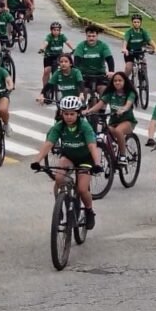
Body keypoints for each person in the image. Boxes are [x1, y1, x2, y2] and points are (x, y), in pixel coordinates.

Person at [29, 96, 102, 230]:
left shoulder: (84, 126)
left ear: (78, 113)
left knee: (82, 188)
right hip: (68, 156)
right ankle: (60, 206)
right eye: (66, 114)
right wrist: (36, 161)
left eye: (72, 114)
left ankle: (89, 210)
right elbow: (48, 144)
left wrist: (97, 164)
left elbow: (92, 146)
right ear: (61, 113)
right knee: (59, 178)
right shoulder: (59, 126)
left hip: (85, 159)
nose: (68, 117)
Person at [86, 71, 138, 165]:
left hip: (127, 121)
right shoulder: (110, 93)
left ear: (125, 82)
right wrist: (88, 111)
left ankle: (123, 156)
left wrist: (123, 109)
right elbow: (99, 105)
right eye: (115, 81)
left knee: (118, 131)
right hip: (113, 121)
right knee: (104, 136)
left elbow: (128, 104)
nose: (117, 82)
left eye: (120, 80)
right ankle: (111, 162)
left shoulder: (130, 93)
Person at [74, 25, 115, 100]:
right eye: (89, 36)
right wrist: (76, 73)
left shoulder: (103, 46)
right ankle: (83, 110)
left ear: (97, 36)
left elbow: (109, 58)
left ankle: (101, 110)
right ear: (86, 36)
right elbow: (76, 60)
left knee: (104, 90)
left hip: (100, 75)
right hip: (85, 75)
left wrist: (111, 71)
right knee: (83, 92)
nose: (91, 38)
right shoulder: (81, 46)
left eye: (93, 36)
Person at [122, 14, 156, 79]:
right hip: (130, 51)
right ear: (132, 23)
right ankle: (125, 80)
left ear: (140, 23)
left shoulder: (143, 31)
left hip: (139, 50)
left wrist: (155, 47)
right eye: (134, 22)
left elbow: (149, 40)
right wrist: (124, 49)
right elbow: (125, 41)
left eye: (138, 22)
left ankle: (143, 77)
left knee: (143, 62)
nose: (136, 24)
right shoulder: (129, 32)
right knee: (129, 67)